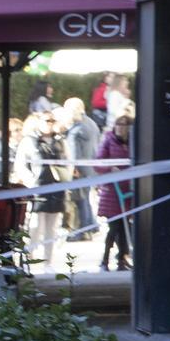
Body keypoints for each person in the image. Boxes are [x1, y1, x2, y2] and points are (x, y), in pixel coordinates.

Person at [14, 113, 68, 272]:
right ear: (39, 123)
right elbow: (20, 164)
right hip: (37, 190)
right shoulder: (29, 141)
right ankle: (28, 259)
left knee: (52, 229)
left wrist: (65, 179)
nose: (50, 124)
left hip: (56, 190)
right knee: (35, 227)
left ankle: (48, 263)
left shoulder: (60, 142)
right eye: (47, 121)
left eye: (53, 120)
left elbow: (67, 162)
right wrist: (30, 181)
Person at [96, 113, 134, 271]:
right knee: (114, 227)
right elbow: (98, 163)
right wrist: (110, 168)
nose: (120, 128)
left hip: (129, 191)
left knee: (127, 228)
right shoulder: (108, 141)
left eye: (124, 125)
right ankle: (105, 260)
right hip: (113, 192)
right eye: (118, 124)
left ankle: (122, 259)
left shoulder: (134, 142)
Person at [63, 98, 101, 241]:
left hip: (79, 168)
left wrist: (72, 169)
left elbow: (73, 152)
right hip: (91, 166)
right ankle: (91, 226)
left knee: (80, 200)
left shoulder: (75, 128)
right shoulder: (92, 123)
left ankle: (83, 230)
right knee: (84, 198)